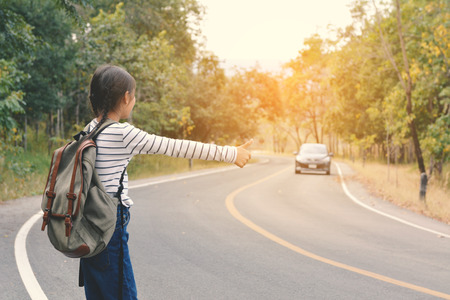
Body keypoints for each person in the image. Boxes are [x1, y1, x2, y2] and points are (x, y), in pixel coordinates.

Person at [79, 64, 252, 299]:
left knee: (98, 293)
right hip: (110, 225)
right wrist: (231, 154)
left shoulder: (88, 130)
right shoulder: (122, 133)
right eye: (134, 95)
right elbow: (176, 147)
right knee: (123, 293)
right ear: (126, 97)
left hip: (87, 223)